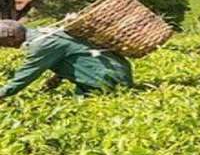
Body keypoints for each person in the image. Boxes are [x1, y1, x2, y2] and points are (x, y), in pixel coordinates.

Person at [0, 20, 133, 99]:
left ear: (13, 38)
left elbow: (26, 74)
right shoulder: (47, 32)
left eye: (2, 42)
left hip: (108, 80)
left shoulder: (41, 44)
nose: (2, 46)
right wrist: (55, 80)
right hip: (118, 72)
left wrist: (2, 94)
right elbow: (73, 56)